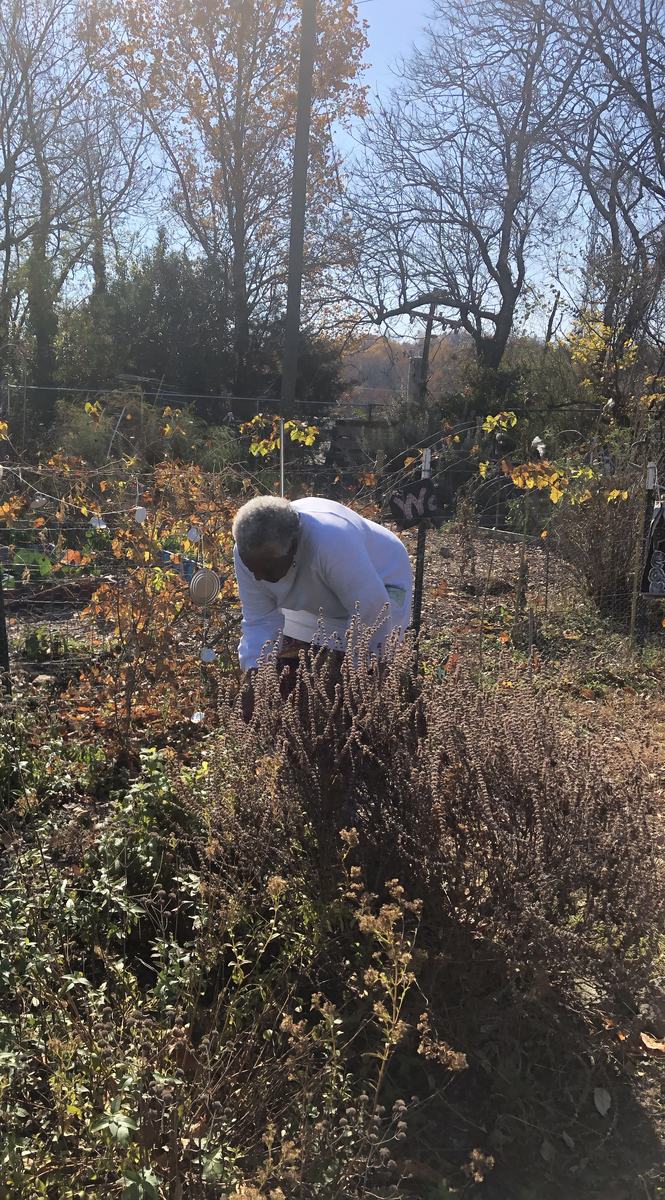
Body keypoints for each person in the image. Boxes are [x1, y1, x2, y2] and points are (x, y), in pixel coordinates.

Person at [232, 495, 413, 673]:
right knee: (297, 671)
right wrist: (254, 674)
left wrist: (359, 676)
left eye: (267, 568)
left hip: (381, 583)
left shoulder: (332, 541)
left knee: (368, 669)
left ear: (293, 548)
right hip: (320, 597)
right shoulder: (248, 551)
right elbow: (259, 621)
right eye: (251, 568)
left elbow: (372, 612)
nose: (257, 577)